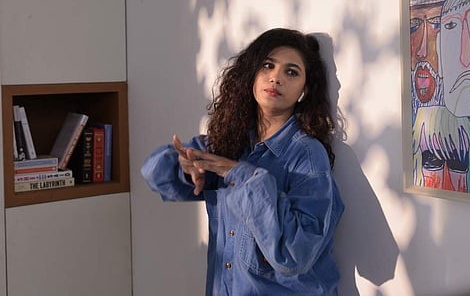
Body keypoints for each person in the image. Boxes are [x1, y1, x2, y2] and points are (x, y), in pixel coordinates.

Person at [141, 28, 345, 295]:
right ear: (252, 74)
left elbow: (295, 254)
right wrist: (184, 166)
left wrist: (243, 175)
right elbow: (154, 172)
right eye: (268, 66)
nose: (275, 78)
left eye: (291, 72)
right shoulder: (230, 142)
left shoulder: (307, 155)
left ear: (304, 91)